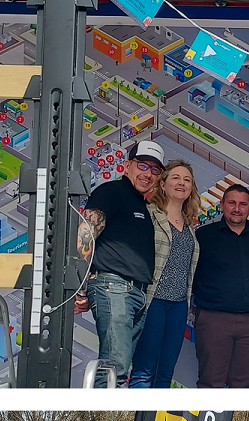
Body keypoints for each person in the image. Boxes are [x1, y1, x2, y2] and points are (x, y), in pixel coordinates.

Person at [74, 139, 166, 387]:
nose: (148, 174)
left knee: (118, 371)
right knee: (113, 369)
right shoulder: (112, 191)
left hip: (136, 294)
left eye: (155, 170)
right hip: (113, 287)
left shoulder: (142, 204)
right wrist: (79, 287)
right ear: (127, 166)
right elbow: (86, 233)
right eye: (142, 166)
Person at [129, 159, 201, 388]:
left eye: (187, 180)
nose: (182, 183)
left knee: (166, 372)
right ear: (163, 184)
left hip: (179, 306)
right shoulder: (148, 215)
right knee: (144, 369)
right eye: (176, 178)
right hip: (153, 301)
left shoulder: (190, 224)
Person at [192, 185, 249, 388]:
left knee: (243, 385)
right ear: (222, 205)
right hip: (213, 320)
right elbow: (190, 274)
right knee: (211, 383)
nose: (237, 208)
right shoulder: (204, 236)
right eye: (232, 203)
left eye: (243, 204)